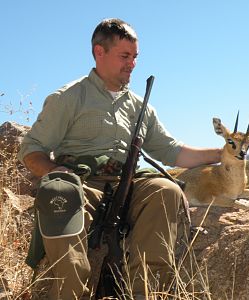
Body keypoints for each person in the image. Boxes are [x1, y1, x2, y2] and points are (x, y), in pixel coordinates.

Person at [18, 18, 222, 300]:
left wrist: (223, 154)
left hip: (125, 185)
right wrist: (57, 171)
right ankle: (70, 293)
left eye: (135, 57)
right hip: (81, 184)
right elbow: (32, 149)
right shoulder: (68, 97)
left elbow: (171, 151)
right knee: (57, 190)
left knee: (166, 190)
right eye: (124, 56)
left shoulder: (140, 107)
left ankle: (145, 291)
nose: (132, 64)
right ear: (99, 52)